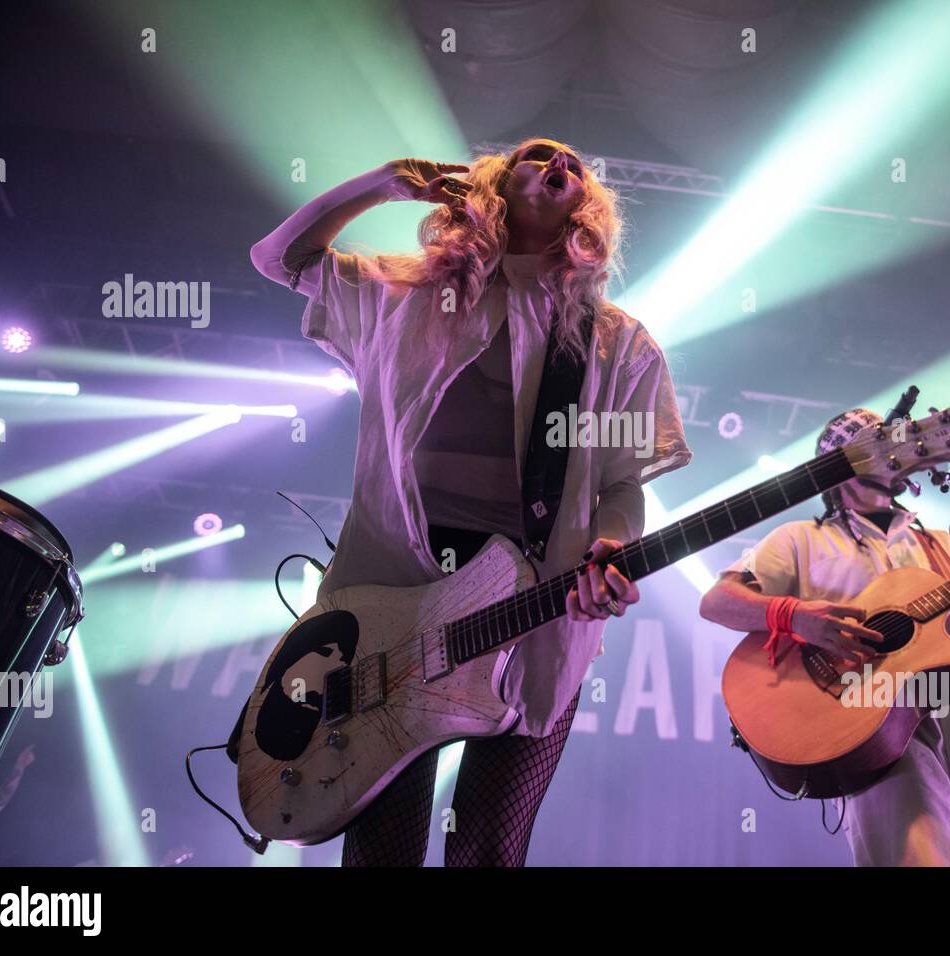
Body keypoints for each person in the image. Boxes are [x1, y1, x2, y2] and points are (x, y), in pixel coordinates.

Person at [250, 138, 691, 866]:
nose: (564, 165)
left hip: (534, 611)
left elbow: (620, 486)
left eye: (578, 166)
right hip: (396, 604)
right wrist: (379, 184)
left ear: (588, 208)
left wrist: (608, 547)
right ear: (491, 183)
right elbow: (281, 258)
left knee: (489, 850)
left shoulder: (619, 344)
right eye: (539, 154)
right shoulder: (407, 293)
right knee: (381, 854)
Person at [698, 408, 950, 866]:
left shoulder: (939, 543)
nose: (900, 447)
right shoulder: (798, 539)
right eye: (883, 441)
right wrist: (794, 615)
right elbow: (717, 601)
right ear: (845, 460)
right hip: (866, 724)